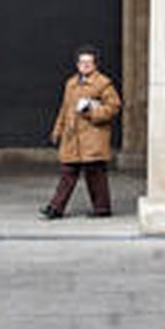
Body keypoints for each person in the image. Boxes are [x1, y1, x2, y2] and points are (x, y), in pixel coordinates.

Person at [40, 45, 121, 220]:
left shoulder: (103, 83)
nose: (85, 65)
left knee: (95, 174)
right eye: (82, 62)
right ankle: (55, 208)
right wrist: (57, 130)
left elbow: (114, 107)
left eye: (89, 62)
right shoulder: (71, 84)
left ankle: (102, 209)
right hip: (72, 137)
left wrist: (92, 113)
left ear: (95, 64)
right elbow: (64, 109)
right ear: (77, 64)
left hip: (93, 137)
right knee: (68, 173)